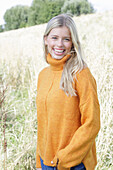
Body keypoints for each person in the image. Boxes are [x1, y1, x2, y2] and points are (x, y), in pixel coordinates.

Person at [36, 14, 100, 170]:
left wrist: (66, 158)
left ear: (73, 43)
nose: (60, 44)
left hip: (73, 164)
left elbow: (92, 123)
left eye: (66, 39)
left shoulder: (81, 74)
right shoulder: (43, 75)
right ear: (46, 39)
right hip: (47, 162)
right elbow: (44, 123)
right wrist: (39, 161)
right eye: (54, 37)